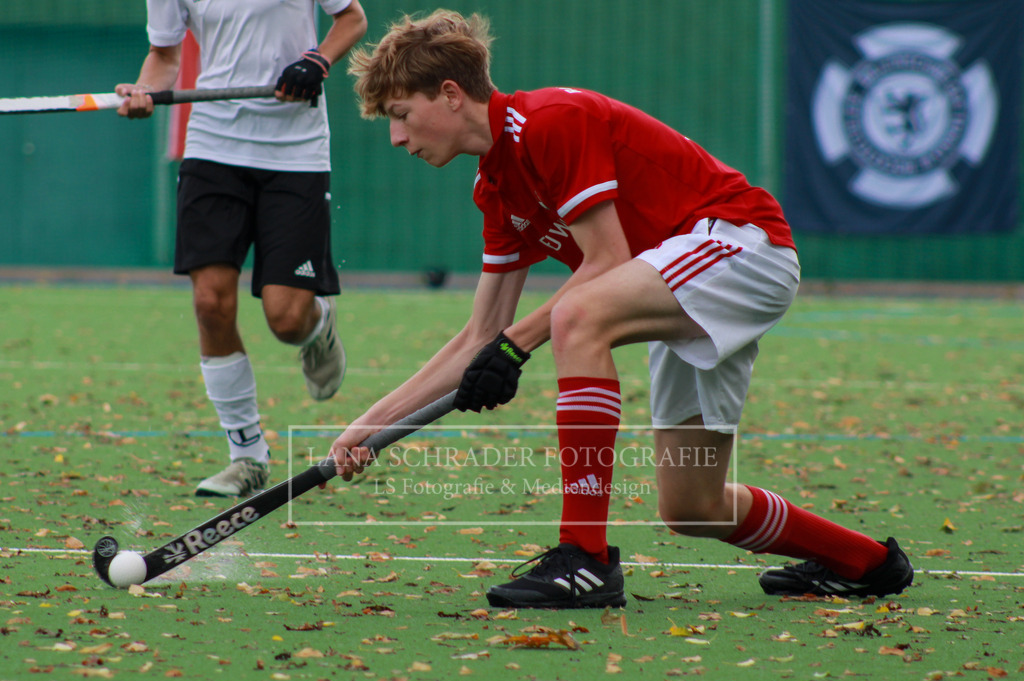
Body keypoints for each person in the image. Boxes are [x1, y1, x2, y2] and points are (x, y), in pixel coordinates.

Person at [330, 9, 914, 609]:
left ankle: (584, 558)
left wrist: (513, 346)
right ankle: (867, 563)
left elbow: (607, 261)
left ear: (451, 94)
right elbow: (480, 334)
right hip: (682, 279)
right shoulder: (496, 188)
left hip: (741, 244)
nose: (397, 137)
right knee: (693, 505)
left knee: (577, 317)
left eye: (401, 114)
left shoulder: (551, 120)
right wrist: (369, 427)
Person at [115, 1, 367, 497]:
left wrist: (317, 60)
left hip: (295, 151)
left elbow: (352, 18)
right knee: (210, 302)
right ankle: (247, 455)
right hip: (213, 145)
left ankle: (318, 323)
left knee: (287, 320)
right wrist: (144, 89)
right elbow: (164, 55)